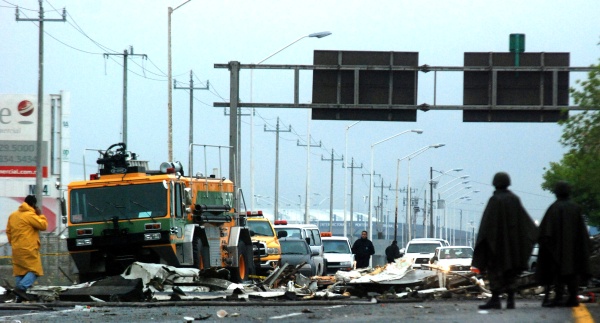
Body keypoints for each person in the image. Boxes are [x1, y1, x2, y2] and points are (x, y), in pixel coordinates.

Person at [472, 172, 537, 310]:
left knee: (495, 272)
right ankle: (511, 300)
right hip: (513, 246)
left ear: (495, 183)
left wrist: (483, 244)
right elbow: (526, 225)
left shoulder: (495, 200)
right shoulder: (514, 200)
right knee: (511, 273)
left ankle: (495, 299)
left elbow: (486, 226)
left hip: (496, 246)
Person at [536, 181, 591, 307]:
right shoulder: (575, 208)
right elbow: (582, 232)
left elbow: (545, 232)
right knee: (573, 273)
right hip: (574, 250)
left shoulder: (553, 208)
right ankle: (572, 297)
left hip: (557, 250)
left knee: (558, 273)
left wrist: (548, 247)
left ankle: (559, 297)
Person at [6, 195, 48, 302]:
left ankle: (19, 297)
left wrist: (13, 242)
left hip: (16, 248)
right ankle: (21, 288)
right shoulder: (30, 215)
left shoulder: (13, 215)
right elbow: (43, 226)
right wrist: (40, 215)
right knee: (36, 270)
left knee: (20, 271)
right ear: (33, 205)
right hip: (28, 248)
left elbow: (8, 231)